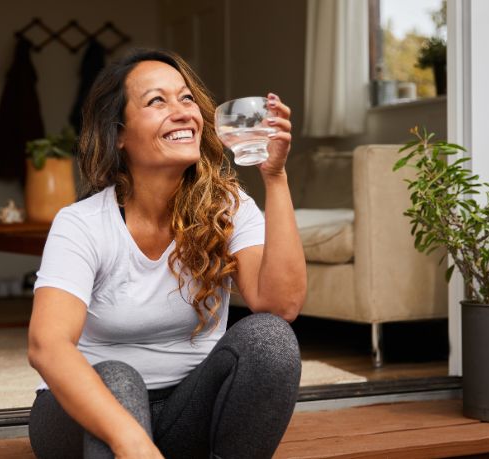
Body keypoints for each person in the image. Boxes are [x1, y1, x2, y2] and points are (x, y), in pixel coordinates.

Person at [27, 48, 307, 459]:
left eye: (187, 98)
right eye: (157, 101)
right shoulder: (82, 224)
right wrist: (132, 441)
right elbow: (46, 346)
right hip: (83, 416)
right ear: (118, 133)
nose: (182, 112)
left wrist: (275, 177)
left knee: (271, 340)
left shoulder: (228, 208)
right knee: (118, 379)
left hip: (184, 411)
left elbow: (279, 304)